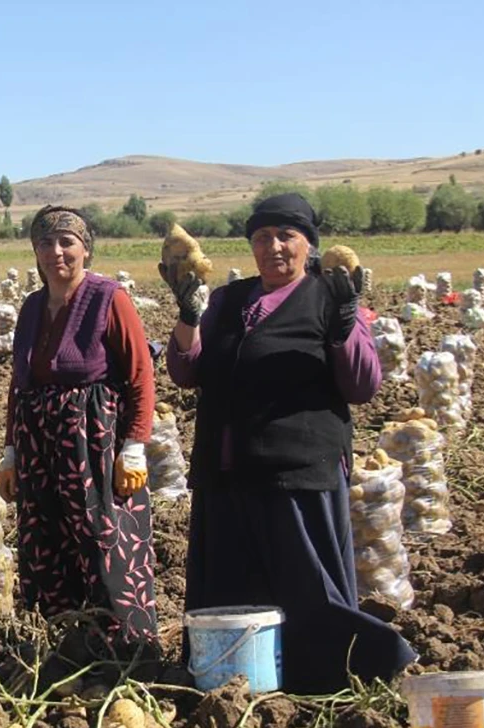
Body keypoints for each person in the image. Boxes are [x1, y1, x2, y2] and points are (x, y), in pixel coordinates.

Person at [164, 193, 417, 694]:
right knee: (229, 584)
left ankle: (340, 673)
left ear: (309, 245)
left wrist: (345, 324)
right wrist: (189, 316)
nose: (274, 247)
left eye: (286, 236)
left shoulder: (329, 297)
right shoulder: (229, 300)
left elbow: (362, 386)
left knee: (309, 585)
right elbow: (185, 372)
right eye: (262, 237)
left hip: (300, 469)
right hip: (226, 471)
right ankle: (232, 680)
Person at [0, 206, 158, 647]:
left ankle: (123, 645)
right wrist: (10, 450)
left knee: (102, 538)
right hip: (38, 443)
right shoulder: (32, 307)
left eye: (67, 242)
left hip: (94, 440)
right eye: (45, 243)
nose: (56, 252)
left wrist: (135, 446)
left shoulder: (109, 298)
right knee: (43, 537)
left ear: (86, 248)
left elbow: (141, 374)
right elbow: (19, 383)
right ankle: (60, 642)